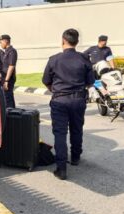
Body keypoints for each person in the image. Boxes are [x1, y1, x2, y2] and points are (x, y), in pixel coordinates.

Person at [42, 29, 95, 180]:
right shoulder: (84, 59)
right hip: (78, 100)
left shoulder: (54, 59)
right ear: (76, 42)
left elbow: (46, 81)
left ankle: (61, 168)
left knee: (60, 133)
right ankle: (76, 157)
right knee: (77, 129)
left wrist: (55, 90)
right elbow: (90, 82)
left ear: (63, 40)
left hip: (59, 100)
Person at [0, 34, 18, 108]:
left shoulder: (12, 51)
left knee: (8, 98)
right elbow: (4, 66)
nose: (0, 44)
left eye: (1, 42)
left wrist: (6, 81)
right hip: (4, 77)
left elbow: (11, 66)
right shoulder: (6, 52)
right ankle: (12, 115)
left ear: (6, 41)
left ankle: (10, 115)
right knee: (7, 97)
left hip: (8, 79)